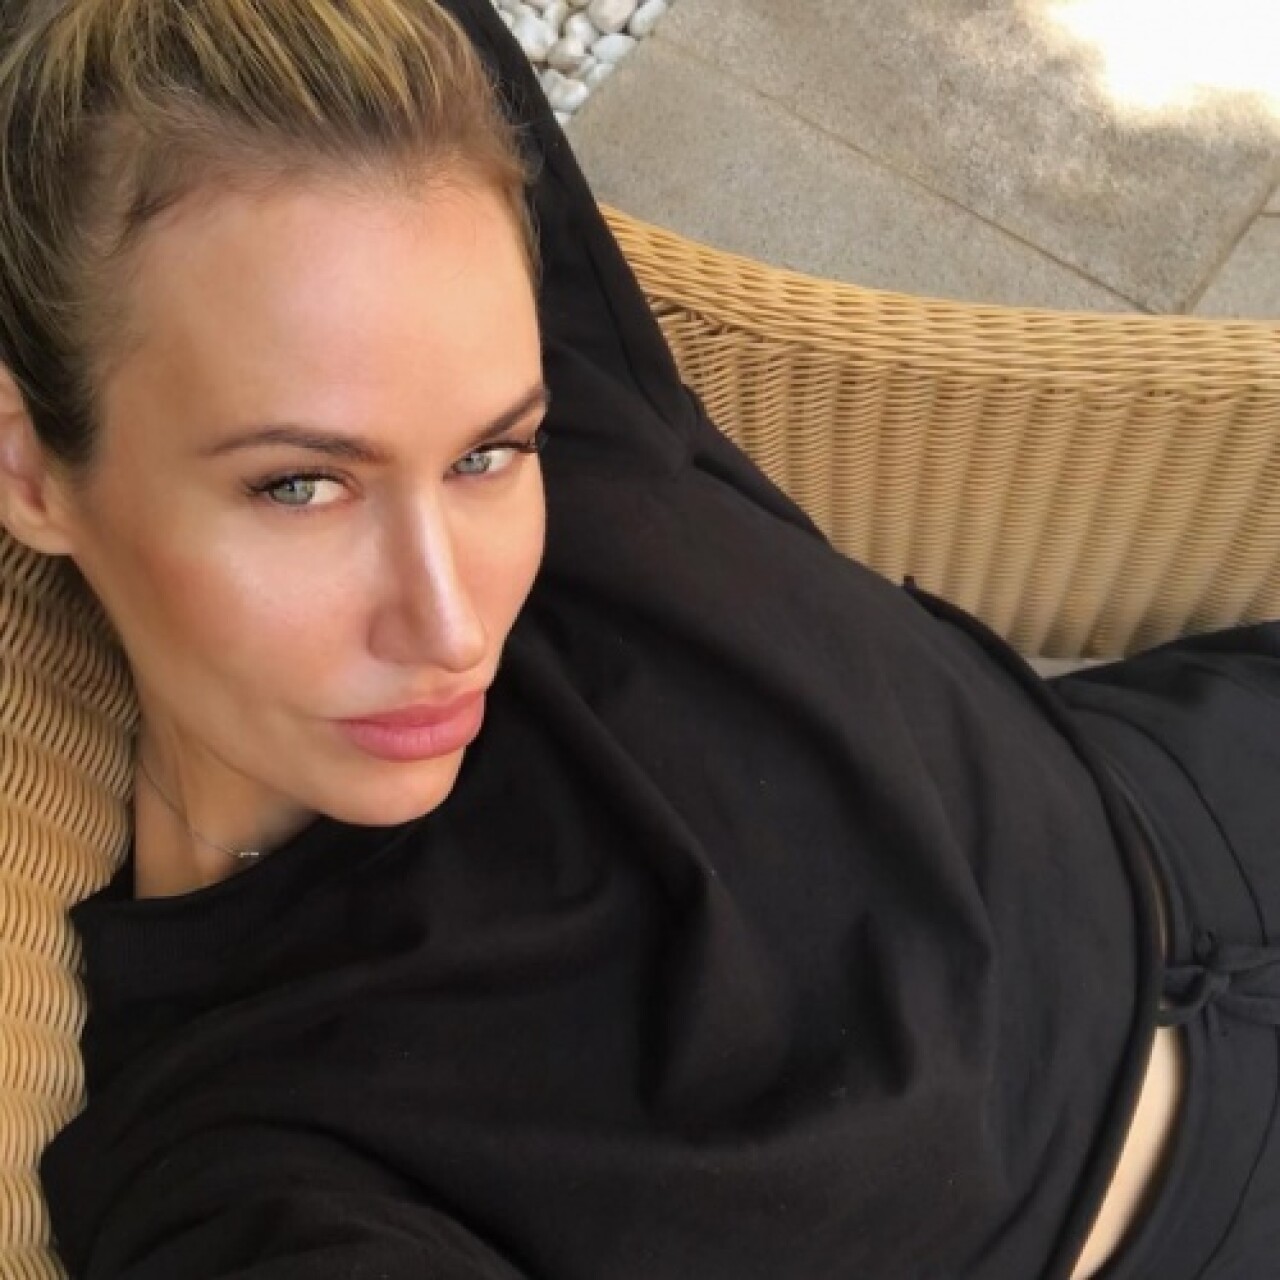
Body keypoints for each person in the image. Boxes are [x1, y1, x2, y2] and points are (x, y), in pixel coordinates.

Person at [0, 1, 1274, 1277]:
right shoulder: (242, 1139)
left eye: (490, 453)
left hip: (1190, 779)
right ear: (30, 466)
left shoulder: (558, 391)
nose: (454, 625)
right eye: (301, 485)